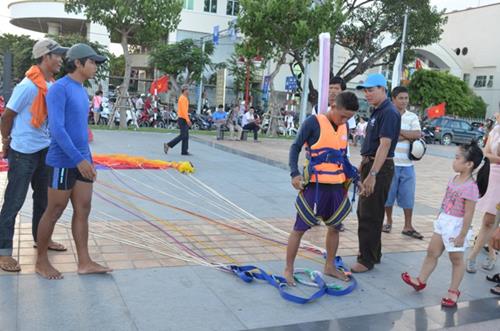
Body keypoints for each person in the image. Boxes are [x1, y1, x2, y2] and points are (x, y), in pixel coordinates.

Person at [35, 43, 111, 279]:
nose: (95, 67)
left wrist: (89, 160)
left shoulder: (81, 89)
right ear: (78, 63)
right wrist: (79, 160)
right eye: (92, 62)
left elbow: (80, 129)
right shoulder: (60, 89)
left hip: (81, 161)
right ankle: (41, 261)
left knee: (83, 209)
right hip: (62, 161)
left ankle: (85, 262)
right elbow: (57, 129)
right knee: (54, 210)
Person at [0, 38, 68, 273]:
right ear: (45, 57)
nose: (61, 59)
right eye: (57, 55)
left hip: (44, 149)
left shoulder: (50, 84)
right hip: (23, 152)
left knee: (43, 200)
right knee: (14, 200)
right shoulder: (28, 86)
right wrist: (6, 142)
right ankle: (3, 251)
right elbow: (7, 116)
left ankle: (42, 239)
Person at [285, 92, 360, 285]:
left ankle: (329, 266)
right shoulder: (313, 122)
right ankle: (288, 269)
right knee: (299, 229)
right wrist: (294, 174)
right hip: (315, 188)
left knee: (334, 228)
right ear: (333, 106)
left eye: (349, 118)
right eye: (343, 116)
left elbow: (343, 158)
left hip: (336, 188)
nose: (344, 120)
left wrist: (355, 178)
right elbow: (295, 147)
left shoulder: (343, 127)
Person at [401, 142, 488, 307]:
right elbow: (446, 199)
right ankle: (421, 280)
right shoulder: (453, 179)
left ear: (469, 164)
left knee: (456, 259)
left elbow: (469, 213)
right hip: (444, 221)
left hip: (457, 226)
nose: (453, 161)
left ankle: (453, 291)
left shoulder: (471, 187)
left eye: (457, 158)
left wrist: (462, 235)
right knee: (432, 252)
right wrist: (440, 215)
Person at [351, 73, 401, 273]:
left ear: (383, 89)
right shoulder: (378, 111)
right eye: (365, 90)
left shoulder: (388, 112)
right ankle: (374, 253)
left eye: (371, 90)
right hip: (372, 165)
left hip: (379, 168)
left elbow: (385, 144)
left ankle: (366, 260)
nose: (367, 94)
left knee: (369, 214)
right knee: (370, 211)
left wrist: (372, 174)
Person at [382, 86, 423, 239]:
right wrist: (407, 135)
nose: (404, 101)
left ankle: (408, 225)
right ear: (393, 99)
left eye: (406, 98)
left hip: (408, 165)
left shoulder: (412, 116)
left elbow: (417, 134)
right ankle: (388, 220)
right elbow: (387, 137)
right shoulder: (387, 114)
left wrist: (398, 132)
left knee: (408, 196)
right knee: (388, 196)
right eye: (401, 98)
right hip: (390, 162)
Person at [466, 110, 499, 272]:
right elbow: (486, 153)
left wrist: (494, 157)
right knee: (489, 220)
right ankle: (489, 253)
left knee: (491, 221)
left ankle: (474, 255)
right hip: (493, 176)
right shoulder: (496, 130)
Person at [164, 86, 192, 155]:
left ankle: (184, 151)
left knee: (186, 136)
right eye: (188, 90)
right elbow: (184, 111)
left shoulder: (185, 98)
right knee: (183, 135)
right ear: (184, 90)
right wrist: (188, 120)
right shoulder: (182, 98)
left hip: (183, 118)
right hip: (183, 119)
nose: (188, 91)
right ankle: (168, 145)